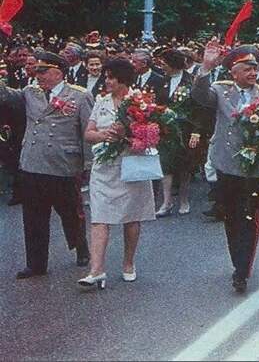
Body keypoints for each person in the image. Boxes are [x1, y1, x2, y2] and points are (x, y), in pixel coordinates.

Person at [192, 43, 259, 294]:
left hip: (254, 168)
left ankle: (242, 270)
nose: (253, 73)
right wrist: (206, 67)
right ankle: (237, 261)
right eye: (247, 69)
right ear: (234, 71)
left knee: (250, 217)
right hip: (226, 163)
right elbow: (199, 97)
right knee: (232, 217)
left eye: (255, 68)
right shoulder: (220, 91)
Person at [0, 52, 93, 279]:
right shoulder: (30, 93)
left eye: (43, 71)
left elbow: (86, 132)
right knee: (33, 218)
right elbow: (5, 95)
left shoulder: (80, 96)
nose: (38, 75)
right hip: (32, 164)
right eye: (36, 71)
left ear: (58, 72)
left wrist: (88, 165)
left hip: (63, 166)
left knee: (71, 213)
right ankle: (36, 264)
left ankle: (81, 246)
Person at [78, 57, 156, 290]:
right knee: (99, 217)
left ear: (123, 79)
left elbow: (152, 134)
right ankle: (96, 270)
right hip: (104, 167)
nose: (107, 80)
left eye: (111, 77)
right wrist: (104, 135)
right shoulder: (101, 101)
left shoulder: (141, 101)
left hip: (131, 164)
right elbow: (88, 133)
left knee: (131, 217)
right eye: (106, 76)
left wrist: (127, 136)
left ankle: (128, 263)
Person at [155, 48, 206, 217]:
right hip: (165, 129)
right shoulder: (162, 81)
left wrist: (197, 131)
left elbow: (199, 108)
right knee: (165, 165)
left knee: (185, 167)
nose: (162, 66)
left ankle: (184, 199)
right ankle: (166, 201)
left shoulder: (192, 82)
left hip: (186, 130)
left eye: (164, 63)